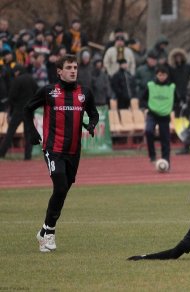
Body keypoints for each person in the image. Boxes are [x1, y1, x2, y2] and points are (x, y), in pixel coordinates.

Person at [24, 54, 99, 252]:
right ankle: (49, 233)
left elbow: (94, 112)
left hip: (74, 151)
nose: (73, 70)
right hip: (53, 149)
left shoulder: (85, 92)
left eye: (75, 67)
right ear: (59, 71)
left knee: (63, 189)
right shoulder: (49, 92)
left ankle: (43, 230)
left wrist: (91, 124)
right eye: (69, 67)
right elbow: (27, 109)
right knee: (60, 185)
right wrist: (32, 132)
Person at [0, 65, 38, 159]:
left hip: (19, 110)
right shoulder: (31, 79)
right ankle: (27, 156)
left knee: (10, 132)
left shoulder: (17, 80)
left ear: (18, 71)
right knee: (28, 134)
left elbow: (12, 96)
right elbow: (37, 93)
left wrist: (13, 106)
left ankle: (2, 153)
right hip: (29, 111)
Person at [141, 66, 175, 164]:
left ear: (167, 76)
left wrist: (172, 107)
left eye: (164, 75)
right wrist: (146, 106)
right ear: (156, 75)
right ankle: (152, 155)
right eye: (160, 75)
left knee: (165, 138)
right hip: (152, 113)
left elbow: (177, 99)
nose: (162, 77)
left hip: (165, 115)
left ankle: (166, 160)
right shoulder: (150, 85)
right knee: (148, 131)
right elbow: (143, 98)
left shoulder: (171, 87)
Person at [168, 48, 190, 117]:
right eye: (176, 57)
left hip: (186, 92)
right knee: (176, 113)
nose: (178, 58)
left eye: (180, 56)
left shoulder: (188, 67)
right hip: (175, 93)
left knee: (187, 112)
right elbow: (169, 81)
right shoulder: (171, 68)